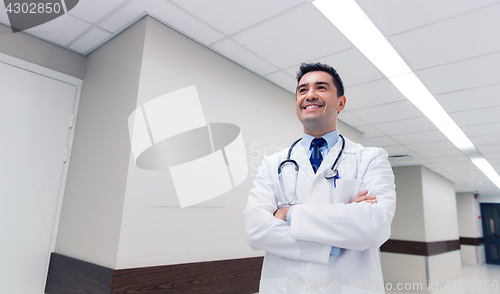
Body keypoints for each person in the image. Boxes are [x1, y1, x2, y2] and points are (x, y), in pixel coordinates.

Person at [244, 62, 396, 294]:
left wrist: (289, 213)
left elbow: (376, 226)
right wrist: (338, 234)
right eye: (302, 90)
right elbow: (256, 229)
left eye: (321, 87)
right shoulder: (272, 164)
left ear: (341, 103)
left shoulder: (371, 158)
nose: (310, 95)